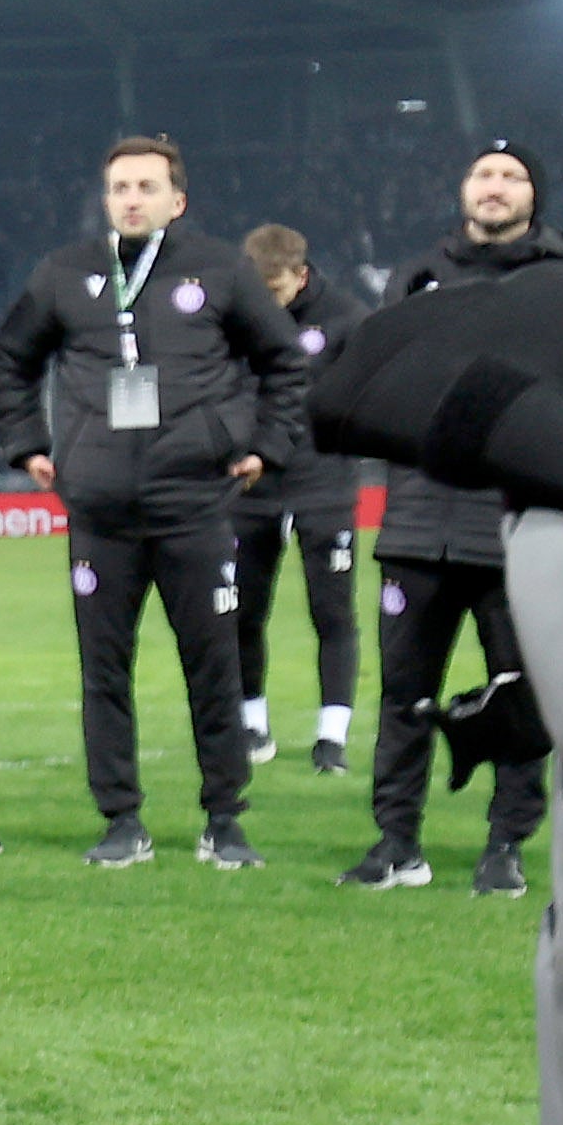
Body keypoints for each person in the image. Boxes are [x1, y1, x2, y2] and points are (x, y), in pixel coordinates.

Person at [0, 137, 308, 869]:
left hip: (194, 502)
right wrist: (27, 443)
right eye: (120, 187)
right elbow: (10, 358)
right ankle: (120, 819)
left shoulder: (220, 269)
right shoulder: (65, 272)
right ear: (106, 199)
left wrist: (265, 444)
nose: (131, 199)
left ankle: (224, 819)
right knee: (104, 672)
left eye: (146, 187)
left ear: (177, 200)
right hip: (99, 508)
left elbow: (284, 360)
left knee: (213, 667)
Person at [344, 141, 563, 897]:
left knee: (519, 694)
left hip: (513, 524)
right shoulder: (417, 277)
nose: (494, 186)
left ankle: (505, 844)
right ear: (463, 189)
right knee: (403, 694)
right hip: (416, 522)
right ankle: (396, 843)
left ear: (534, 196)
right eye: (482, 174)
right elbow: (381, 379)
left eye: (512, 176)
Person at [224, 221, 362, 780]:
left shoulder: (346, 319)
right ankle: (251, 723)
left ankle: (332, 736)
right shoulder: (232, 317)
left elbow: (361, 396)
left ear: (300, 276)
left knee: (332, 611)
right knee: (243, 610)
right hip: (250, 487)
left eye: (275, 290)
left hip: (322, 485)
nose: (266, 302)